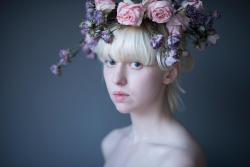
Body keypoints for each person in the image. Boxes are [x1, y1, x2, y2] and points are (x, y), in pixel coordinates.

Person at [50, 0, 220, 166]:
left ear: (169, 73)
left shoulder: (177, 161)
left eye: (136, 64)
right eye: (110, 62)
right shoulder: (111, 143)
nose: (117, 79)